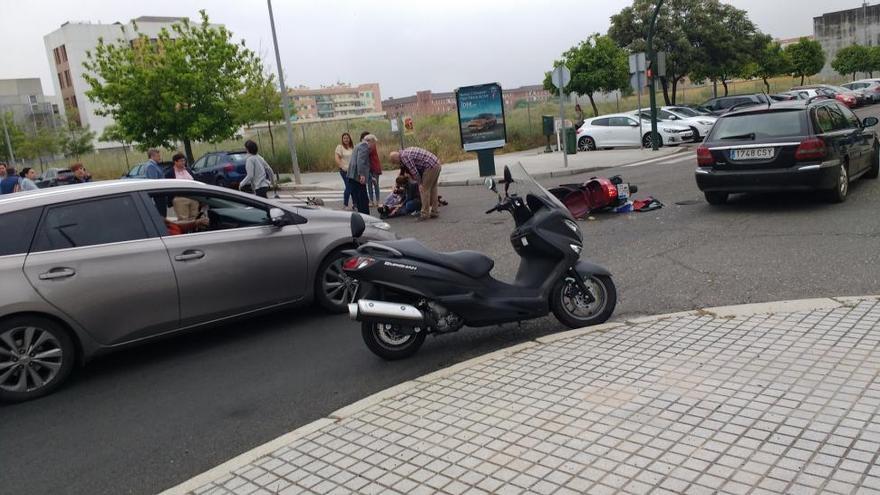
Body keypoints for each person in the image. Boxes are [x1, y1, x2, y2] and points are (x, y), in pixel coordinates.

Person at [390, 147, 442, 221]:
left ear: (396, 159)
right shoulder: (405, 152)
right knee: (433, 188)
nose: (397, 164)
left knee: (424, 190)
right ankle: (434, 211)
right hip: (436, 163)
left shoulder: (404, 157)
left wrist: (420, 183)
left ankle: (424, 214)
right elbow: (403, 170)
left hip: (430, 167)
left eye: (395, 162)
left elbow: (414, 171)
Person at [348, 134, 376, 215]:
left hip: (354, 176)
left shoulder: (359, 145)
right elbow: (361, 161)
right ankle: (365, 216)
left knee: (360, 199)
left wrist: (370, 177)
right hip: (357, 177)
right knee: (363, 199)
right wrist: (362, 175)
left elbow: (363, 163)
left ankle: (362, 215)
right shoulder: (364, 146)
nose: (374, 146)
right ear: (370, 141)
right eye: (374, 143)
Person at [167, 153, 201, 221]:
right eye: (181, 161)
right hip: (180, 199)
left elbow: (195, 181)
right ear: (175, 162)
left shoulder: (188, 170)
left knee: (195, 218)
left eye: (184, 161)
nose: (183, 162)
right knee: (183, 220)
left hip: (193, 197)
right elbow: (169, 187)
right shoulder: (170, 173)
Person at [360, 130, 382, 207]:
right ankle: (371, 200)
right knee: (369, 185)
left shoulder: (371, 146)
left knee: (376, 184)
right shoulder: (365, 146)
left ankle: (378, 200)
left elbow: (367, 153)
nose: (366, 141)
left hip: (375, 167)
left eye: (367, 139)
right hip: (368, 168)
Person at [335, 133, 355, 210]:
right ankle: (345, 204)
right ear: (342, 139)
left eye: (347, 138)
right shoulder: (339, 147)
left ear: (350, 139)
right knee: (348, 187)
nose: (346, 139)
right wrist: (342, 167)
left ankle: (355, 204)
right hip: (345, 171)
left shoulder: (352, 148)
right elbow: (337, 158)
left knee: (353, 187)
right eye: (344, 138)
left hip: (352, 170)